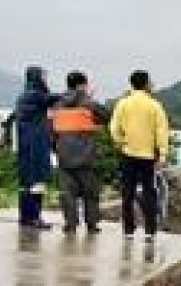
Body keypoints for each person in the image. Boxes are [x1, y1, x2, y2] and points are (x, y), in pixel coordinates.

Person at [110, 69, 170, 242]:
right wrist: (163, 154)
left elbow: (114, 127)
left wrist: (121, 142)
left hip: (128, 153)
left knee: (127, 192)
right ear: (145, 84)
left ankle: (128, 229)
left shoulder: (123, 104)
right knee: (149, 192)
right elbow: (161, 130)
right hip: (147, 156)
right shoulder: (154, 105)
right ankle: (150, 231)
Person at [52, 71, 109, 235]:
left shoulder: (58, 104)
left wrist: (56, 147)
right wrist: (89, 98)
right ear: (81, 85)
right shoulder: (88, 104)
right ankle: (91, 224)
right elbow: (106, 116)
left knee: (67, 193)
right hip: (85, 156)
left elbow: (51, 129)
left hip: (63, 155)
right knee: (90, 193)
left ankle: (70, 224)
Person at [11, 65, 60, 229]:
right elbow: (56, 99)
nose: (46, 79)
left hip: (26, 144)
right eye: (43, 76)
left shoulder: (23, 95)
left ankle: (25, 217)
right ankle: (34, 218)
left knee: (26, 182)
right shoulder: (35, 95)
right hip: (36, 144)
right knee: (36, 182)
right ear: (37, 77)